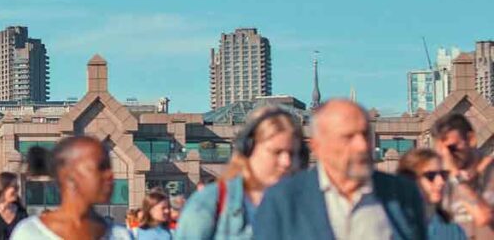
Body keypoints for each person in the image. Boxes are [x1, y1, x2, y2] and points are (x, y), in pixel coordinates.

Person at [254, 99, 427, 240]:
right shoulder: (283, 200)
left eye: (365, 134)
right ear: (317, 146)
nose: (362, 146)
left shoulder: (402, 193)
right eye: (348, 137)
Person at [175, 106, 306, 239]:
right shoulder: (208, 203)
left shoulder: (304, 207)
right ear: (248, 149)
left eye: (292, 153)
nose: (286, 162)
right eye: (276, 152)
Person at [9, 135, 132, 240]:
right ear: (69, 175)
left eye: (109, 167)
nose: (110, 175)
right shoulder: (30, 234)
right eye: (101, 167)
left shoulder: (120, 235)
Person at [432, 113, 494, 237]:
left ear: (471, 140)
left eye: (452, 148)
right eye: (441, 151)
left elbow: (483, 217)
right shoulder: (440, 181)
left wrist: (458, 179)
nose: (447, 156)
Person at [396, 148, 467, 240]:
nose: (440, 182)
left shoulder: (453, 229)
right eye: (431, 176)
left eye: (443, 174)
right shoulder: (390, 225)